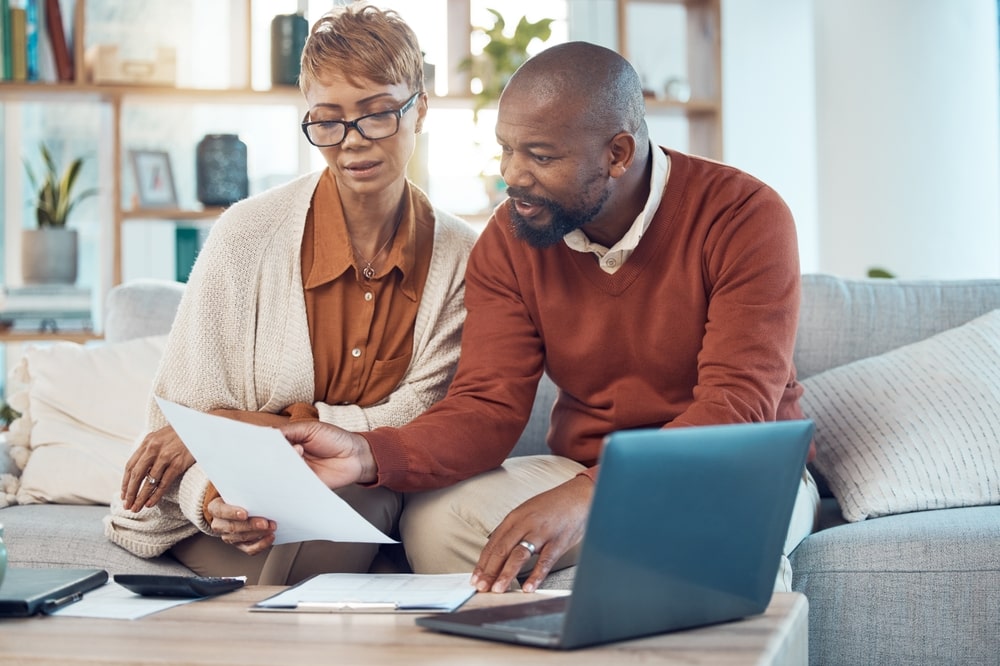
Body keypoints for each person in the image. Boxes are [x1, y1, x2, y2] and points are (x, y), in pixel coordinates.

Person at [280, 40, 820, 594]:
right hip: (584, 472)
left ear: (618, 154)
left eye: (540, 157)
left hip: (733, 469)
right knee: (436, 525)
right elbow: (487, 405)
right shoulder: (511, 239)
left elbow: (736, 407)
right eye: (506, 150)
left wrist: (594, 496)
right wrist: (369, 453)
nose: (514, 176)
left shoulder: (744, 216)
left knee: (709, 540)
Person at [103, 4, 478, 585]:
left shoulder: (461, 255)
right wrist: (211, 499)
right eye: (327, 120)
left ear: (420, 109)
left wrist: (245, 425)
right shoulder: (245, 234)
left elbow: (416, 418)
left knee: (353, 498)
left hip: (370, 493)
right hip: (234, 510)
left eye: (377, 114)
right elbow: (177, 424)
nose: (352, 142)